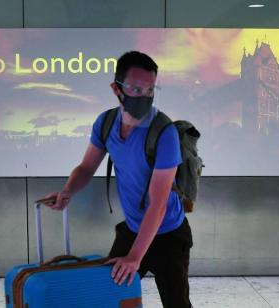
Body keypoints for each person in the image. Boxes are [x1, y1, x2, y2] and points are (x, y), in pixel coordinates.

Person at [41, 51, 193, 308]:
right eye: (135, 88)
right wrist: (67, 191)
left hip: (168, 233)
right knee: (111, 298)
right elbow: (87, 167)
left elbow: (158, 205)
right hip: (133, 229)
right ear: (116, 88)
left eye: (150, 89)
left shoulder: (163, 132)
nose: (143, 96)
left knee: (177, 304)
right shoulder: (106, 123)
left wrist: (134, 257)